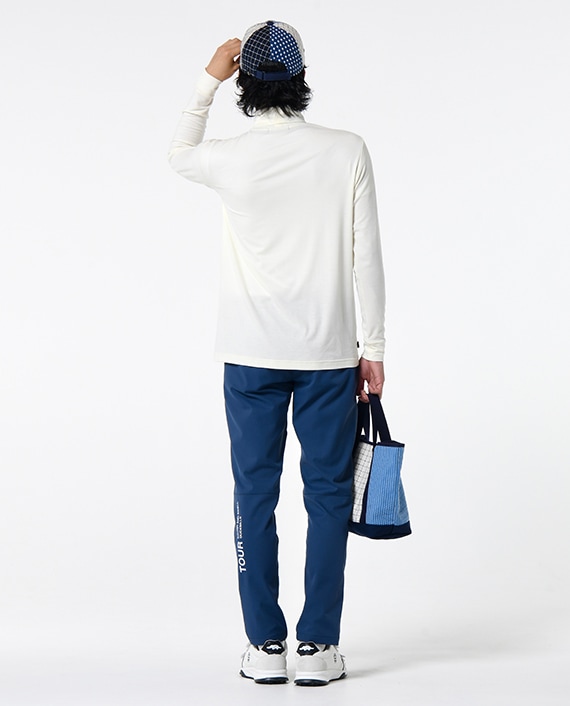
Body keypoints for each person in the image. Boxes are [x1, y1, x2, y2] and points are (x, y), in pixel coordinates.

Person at [167, 20, 386, 686]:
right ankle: (317, 648)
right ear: (302, 78)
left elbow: (178, 151)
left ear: (246, 84)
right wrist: (374, 346)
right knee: (328, 496)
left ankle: (264, 646)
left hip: (250, 353)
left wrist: (208, 80)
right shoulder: (346, 150)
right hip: (328, 353)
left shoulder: (228, 158)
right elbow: (366, 256)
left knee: (254, 494)